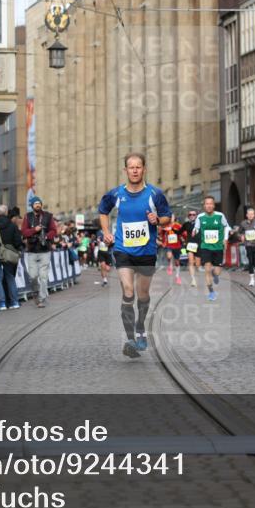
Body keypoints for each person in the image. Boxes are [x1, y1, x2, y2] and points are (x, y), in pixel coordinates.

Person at [98, 152, 172, 357]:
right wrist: (106, 232)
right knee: (128, 292)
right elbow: (103, 211)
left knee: (143, 295)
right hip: (123, 250)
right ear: (125, 170)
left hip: (147, 251)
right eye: (131, 167)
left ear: (144, 169)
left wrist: (158, 219)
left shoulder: (154, 194)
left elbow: (167, 216)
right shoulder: (116, 194)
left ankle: (140, 328)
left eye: (138, 167)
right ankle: (131, 339)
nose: (135, 170)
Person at [21, 195, 58, 308]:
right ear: (32, 205)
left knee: (43, 276)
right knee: (33, 276)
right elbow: (24, 232)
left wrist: (46, 237)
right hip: (32, 250)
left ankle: (41, 298)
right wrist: (34, 230)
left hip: (45, 250)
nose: (38, 205)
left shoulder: (48, 216)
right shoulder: (27, 217)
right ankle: (35, 293)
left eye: (39, 203)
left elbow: (54, 230)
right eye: (35, 203)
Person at [191, 196, 230, 302]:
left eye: (210, 204)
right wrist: (194, 230)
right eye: (206, 204)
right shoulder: (200, 217)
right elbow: (197, 227)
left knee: (217, 271)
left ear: (213, 205)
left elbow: (227, 227)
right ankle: (211, 292)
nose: (208, 206)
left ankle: (215, 274)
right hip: (205, 247)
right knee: (207, 269)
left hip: (218, 247)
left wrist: (225, 239)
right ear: (204, 206)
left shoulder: (220, 216)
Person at [239, 207, 255, 287]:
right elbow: (239, 232)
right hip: (248, 244)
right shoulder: (243, 223)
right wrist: (241, 236)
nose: (250, 215)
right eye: (249, 214)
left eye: (252, 214)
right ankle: (252, 279)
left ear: (254, 215)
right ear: (247, 215)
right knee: (250, 260)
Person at [160, 218, 185, 283]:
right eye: (170, 217)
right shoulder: (166, 226)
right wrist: (163, 241)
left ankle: (177, 276)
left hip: (177, 246)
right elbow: (162, 233)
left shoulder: (178, 226)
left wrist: (183, 237)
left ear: (174, 218)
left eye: (172, 217)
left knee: (177, 262)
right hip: (169, 245)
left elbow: (184, 233)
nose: (171, 218)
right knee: (169, 256)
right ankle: (170, 265)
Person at [180, 209, 200, 287]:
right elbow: (179, 232)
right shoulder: (186, 224)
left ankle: (196, 269)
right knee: (191, 262)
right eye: (190, 215)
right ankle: (193, 280)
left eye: (193, 214)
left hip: (199, 245)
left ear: (196, 216)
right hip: (190, 245)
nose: (192, 216)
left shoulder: (201, 223)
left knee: (197, 264)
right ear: (188, 216)